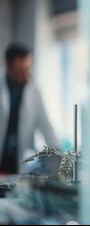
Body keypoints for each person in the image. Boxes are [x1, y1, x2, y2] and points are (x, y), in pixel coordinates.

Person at [0, 43, 57, 174]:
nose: (27, 75)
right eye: (21, 70)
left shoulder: (34, 91)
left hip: (17, 162)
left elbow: (46, 125)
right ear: (8, 67)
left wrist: (57, 153)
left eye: (29, 68)